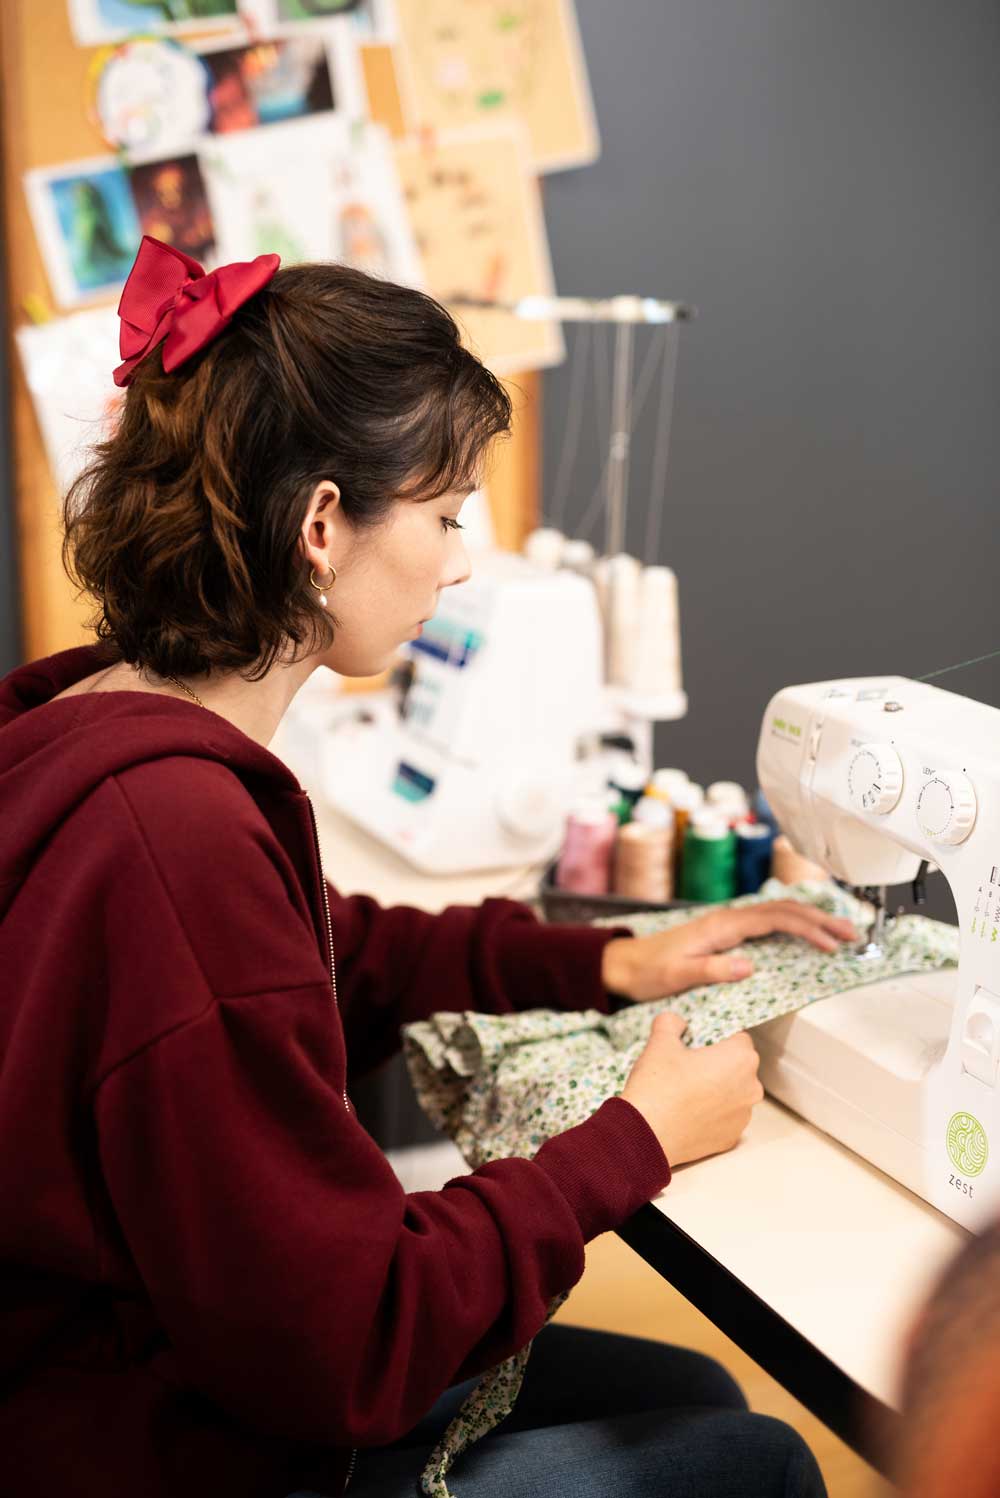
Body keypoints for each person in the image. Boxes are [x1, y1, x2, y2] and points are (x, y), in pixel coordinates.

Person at [0, 235, 853, 1498]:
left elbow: (322, 953)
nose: (460, 561)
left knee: (686, 1393)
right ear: (324, 525)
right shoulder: (174, 840)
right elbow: (349, 1342)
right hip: (159, 1444)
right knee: (759, 1459)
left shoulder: (88, 718)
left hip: (124, 1372)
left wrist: (605, 956)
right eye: (447, 515)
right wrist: (634, 1139)